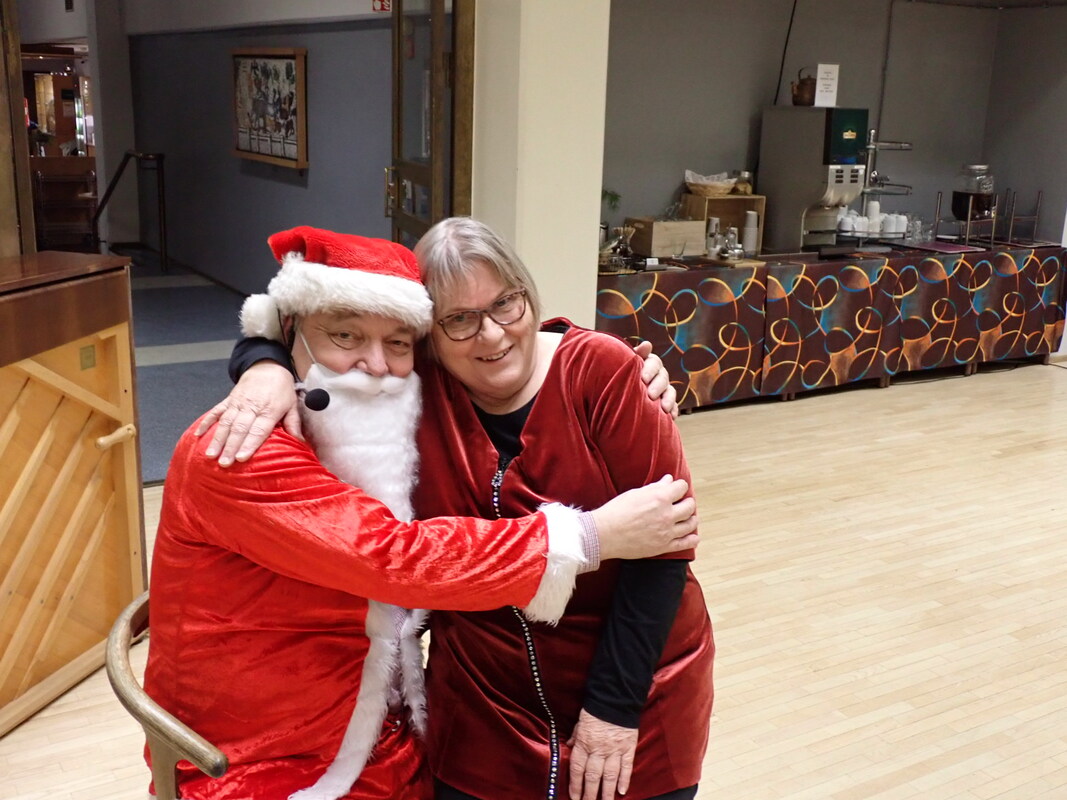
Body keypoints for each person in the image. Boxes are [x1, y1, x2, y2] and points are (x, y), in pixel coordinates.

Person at [144, 227, 699, 800]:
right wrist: (264, 363)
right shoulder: (262, 442)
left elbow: (665, 554)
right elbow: (396, 558)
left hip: (604, 695)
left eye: (397, 343)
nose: (375, 366)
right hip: (328, 742)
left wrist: (614, 707)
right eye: (345, 335)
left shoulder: (586, 373)